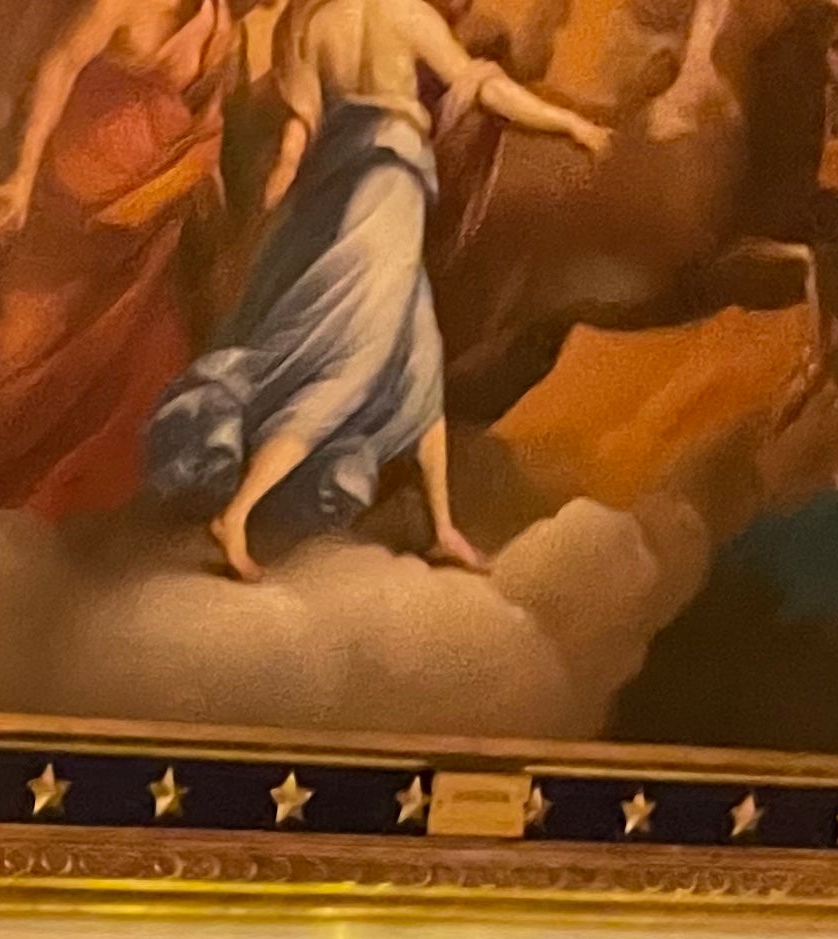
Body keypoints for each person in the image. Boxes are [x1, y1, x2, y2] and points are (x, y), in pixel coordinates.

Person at [142, 0, 607, 579]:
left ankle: (442, 528)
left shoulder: (308, 24)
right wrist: (570, 123)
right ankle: (236, 515)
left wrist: (280, 190)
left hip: (340, 184)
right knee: (351, 364)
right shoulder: (406, 15)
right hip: (385, 188)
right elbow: (481, 89)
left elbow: (300, 126)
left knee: (418, 361)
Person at [0, 0, 240, 519]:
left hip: (150, 203)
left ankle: (85, 510)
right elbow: (59, 66)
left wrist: (204, 171)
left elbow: (208, 106)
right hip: (77, 192)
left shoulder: (217, 13)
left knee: (145, 350)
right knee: (19, 344)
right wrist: (22, 177)